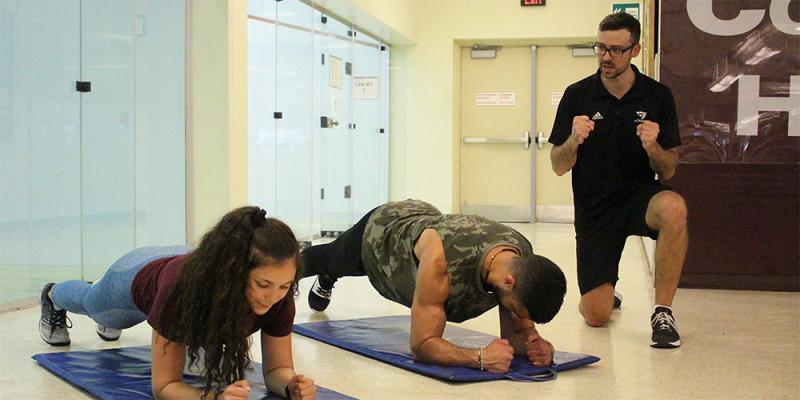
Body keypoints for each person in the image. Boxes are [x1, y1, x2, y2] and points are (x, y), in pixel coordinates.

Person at [38, 207, 317, 400]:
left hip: (187, 262)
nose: (274, 296)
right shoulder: (181, 292)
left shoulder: (278, 291)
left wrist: (291, 386)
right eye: (263, 285)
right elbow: (165, 387)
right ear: (234, 272)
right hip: (137, 274)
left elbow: (275, 371)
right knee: (94, 304)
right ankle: (52, 294)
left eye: (283, 285)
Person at [548, 12, 687, 348]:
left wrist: (653, 146)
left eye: (615, 50)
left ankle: (663, 312)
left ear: (634, 51)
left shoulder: (658, 96)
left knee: (674, 207)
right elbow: (557, 165)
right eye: (600, 48)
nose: (606, 57)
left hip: (639, 196)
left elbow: (668, 170)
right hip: (595, 207)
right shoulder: (577, 95)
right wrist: (573, 141)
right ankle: (607, 291)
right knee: (596, 315)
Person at [303, 199, 566, 373]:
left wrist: (537, 345)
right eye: (517, 311)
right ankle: (328, 274)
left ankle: (329, 272)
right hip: (383, 237)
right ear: (508, 281)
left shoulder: (520, 260)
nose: (516, 317)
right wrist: (480, 358)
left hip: (429, 220)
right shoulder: (441, 260)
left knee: (329, 263)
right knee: (318, 261)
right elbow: (422, 345)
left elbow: (517, 334)